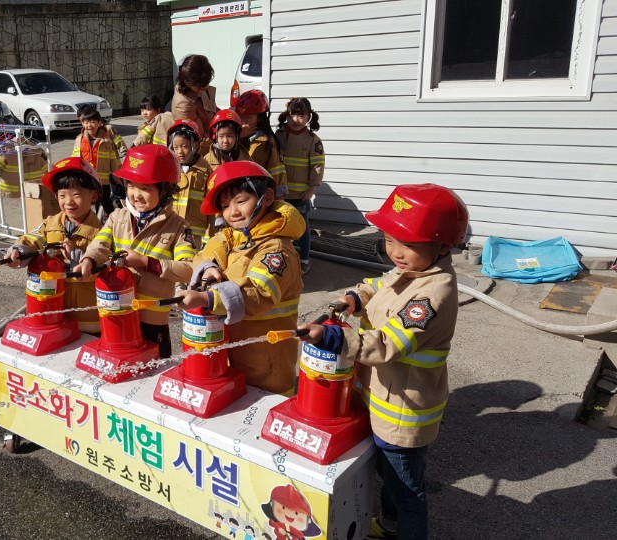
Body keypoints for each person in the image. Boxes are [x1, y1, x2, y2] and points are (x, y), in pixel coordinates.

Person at [293, 184, 469, 540]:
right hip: (384, 397)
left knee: (406, 491)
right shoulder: (413, 269)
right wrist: (355, 297)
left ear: (442, 246)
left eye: (408, 244)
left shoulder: (432, 295)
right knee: (390, 476)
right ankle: (389, 524)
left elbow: (388, 344)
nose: (396, 252)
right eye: (389, 240)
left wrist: (333, 338)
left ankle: (404, 528)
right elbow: (380, 284)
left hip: (403, 412)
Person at [177, 162, 304, 394]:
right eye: (225, 206)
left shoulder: (277, 249)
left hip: (266, 356)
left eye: (241, 201)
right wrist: (208, 267)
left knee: (265, 404)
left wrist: (208, 298)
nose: (232, 212)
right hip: (234, 346)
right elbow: (208, 251)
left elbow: (260, 292)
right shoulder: (236, 236)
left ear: (266, 197)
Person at [75, 145, 196, 358]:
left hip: (152, 320)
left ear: (166, 190)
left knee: (153, 366)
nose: (136, 195)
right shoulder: (117, 217)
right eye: (131, 185)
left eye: (145, 188)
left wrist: (146, 262)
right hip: (117, 313)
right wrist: (89, 260)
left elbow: (187, 269)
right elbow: (99, 244)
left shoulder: (179, 227)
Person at [5, 157, 103, 335]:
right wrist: (18, 251)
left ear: (94, 196)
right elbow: (32, 239)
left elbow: (103, 266)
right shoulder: (50, 224)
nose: (69, 202)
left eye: (76, 195)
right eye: (62, 195)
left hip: (86, 318)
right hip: (52, 312)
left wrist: (77, 257)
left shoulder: (102, 232)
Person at [276, 97, 324, 274]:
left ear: (308, 117)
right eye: (292, 115)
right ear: (286, 115)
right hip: (279, 193)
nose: (296, 120)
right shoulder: (279, 135)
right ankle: (280, 257)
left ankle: (304, 260)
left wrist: (312, 189)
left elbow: (317, 166)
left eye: (301, 116)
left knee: (302, 227)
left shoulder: (313, 140)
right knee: (279, 226)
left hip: (300, 195)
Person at [71, 104, 127, 218]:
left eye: (92, 122)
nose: (89, 125)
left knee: (106, 199)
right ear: (82, 123)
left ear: (99, 122)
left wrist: (117, 173)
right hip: (87, 177)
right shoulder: (79, 139)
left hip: (103, 178)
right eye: (85, 122)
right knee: (88, 200)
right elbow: (75, 157)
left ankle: (114, 219)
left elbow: (113, 157)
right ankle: (92, 220)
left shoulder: (105, 139)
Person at [167, 118, 212, 245]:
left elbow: (211, 202)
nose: (180, 152)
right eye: (175, 147)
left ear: (195, 145)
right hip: (172, 227)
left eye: (185, 146)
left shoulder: (206, 170)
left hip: (196, 231)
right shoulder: (169, 170)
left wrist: (209, 233)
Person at [235, 90, 286, 196]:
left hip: (262, 195)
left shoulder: (263, 142)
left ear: (259, 118)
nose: (243, 121)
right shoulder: (245, 137)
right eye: (241, 116)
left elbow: (245, 166)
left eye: (248, 117)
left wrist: (239, 138)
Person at [171, 54, 217, 137]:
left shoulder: (197, 87)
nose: (206, 87)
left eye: (207, 82)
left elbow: (214, 111)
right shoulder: (183, 106)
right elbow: (200, 136)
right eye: (201, 85)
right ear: (188, 82)